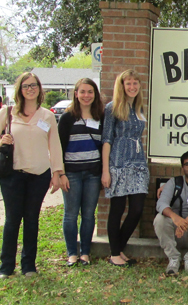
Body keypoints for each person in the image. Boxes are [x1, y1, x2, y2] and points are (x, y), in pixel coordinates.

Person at [0, 72, 64, 278]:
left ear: (39, 89)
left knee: (32, 219)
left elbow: (54, 145)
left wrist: (57, 172)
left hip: (39, 176)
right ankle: (6, 267)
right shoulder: (8, 112)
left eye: (34, 85)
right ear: (20, 90)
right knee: (12, 219)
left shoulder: (47, 115)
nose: (30, 89)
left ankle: (29, 265)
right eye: (26, 86)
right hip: (13, 175)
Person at [102, 69, 149, 267]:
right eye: (128, 83)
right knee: (118, 209)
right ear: (121, 86)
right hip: (118, 163)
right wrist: (106, 170)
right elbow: (106, 140)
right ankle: (115, 254)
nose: (132, 87)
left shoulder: (139, 109)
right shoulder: (112, 108)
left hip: (138, 163)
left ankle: (118, 247)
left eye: (135, 83)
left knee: (137, 209)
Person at [57, 78, 105, 267]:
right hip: (72, 173)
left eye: (90, 92)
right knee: (70, 214)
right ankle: (72, 253)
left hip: (93, 173)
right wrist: (61, 173)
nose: (86, 96)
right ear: (76, 94)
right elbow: (59, 147)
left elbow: (103, 146)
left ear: (95, 95)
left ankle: (85, 252)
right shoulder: (67, 117)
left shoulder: (100, 116)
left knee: (88, 214)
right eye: (82, 92)